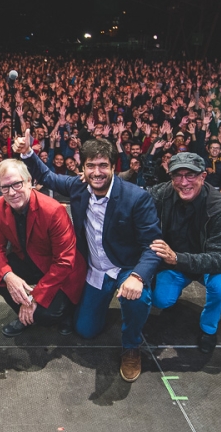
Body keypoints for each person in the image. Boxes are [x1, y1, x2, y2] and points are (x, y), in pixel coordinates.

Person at [13, 130, 161, 383]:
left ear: (113, 167)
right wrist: (28, 153)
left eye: (103, 165)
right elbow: (47, 176)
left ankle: (132, 346)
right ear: (82, 168)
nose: (96, 172)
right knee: (85, 330)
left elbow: (153, 245)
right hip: (96, 270)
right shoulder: (79, 186)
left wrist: (137, 275)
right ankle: (103, 308)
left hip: (127, 267)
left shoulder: (136, 197)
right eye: (90, 166)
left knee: (136, 299)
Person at [147, 153, 221, 354]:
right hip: (173, 265)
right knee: (160, 300)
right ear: (170, 177)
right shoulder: (160, 194)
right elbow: (130, 196)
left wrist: (178, 258)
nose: (184, 182)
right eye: (177, 175)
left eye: (190, 175)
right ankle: (173, 295)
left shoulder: (220, 205)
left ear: (203, 176)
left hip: (206, 265)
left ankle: (209, 328)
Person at [0, 159, 86, 337]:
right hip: (31, 261)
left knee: (46, 316)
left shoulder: (53, 210)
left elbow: (64, 261)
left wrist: (35, 298)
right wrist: (9, 276)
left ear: (29, 181)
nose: (12, 192)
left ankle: (66, 312)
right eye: (5, 187)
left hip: (61, 271)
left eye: (17, 184)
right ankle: (25, 314)